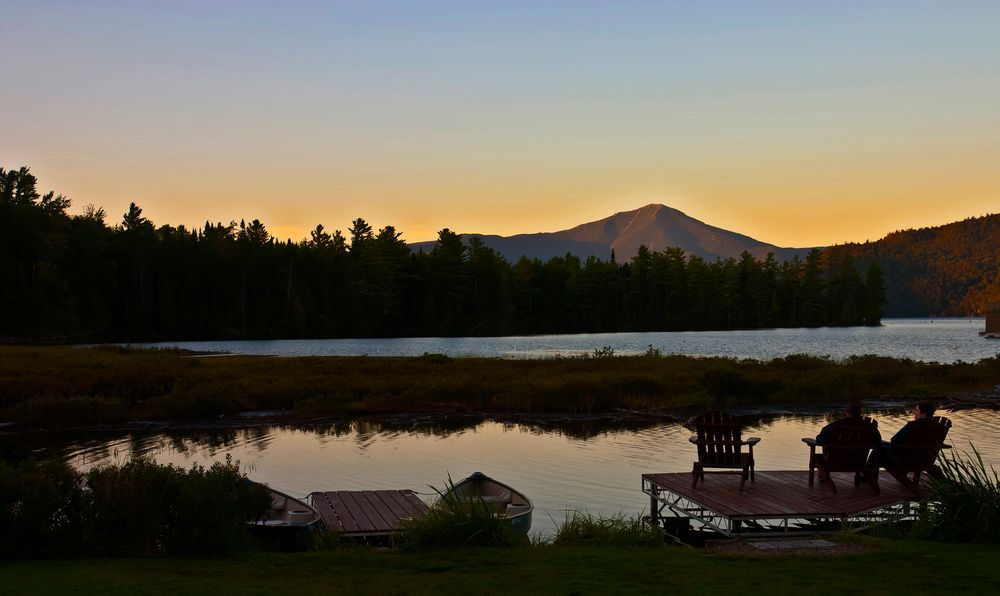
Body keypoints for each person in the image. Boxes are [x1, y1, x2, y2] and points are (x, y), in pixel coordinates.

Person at [879, 401, 938, 467]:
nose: (914, 412)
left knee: (878, 448)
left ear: (923, 413)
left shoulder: (913, 425)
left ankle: (868, 473)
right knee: (880, 444)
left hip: (905, 460)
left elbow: (894, 440)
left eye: (916, 410)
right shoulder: (937, 427)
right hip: (925, 460)